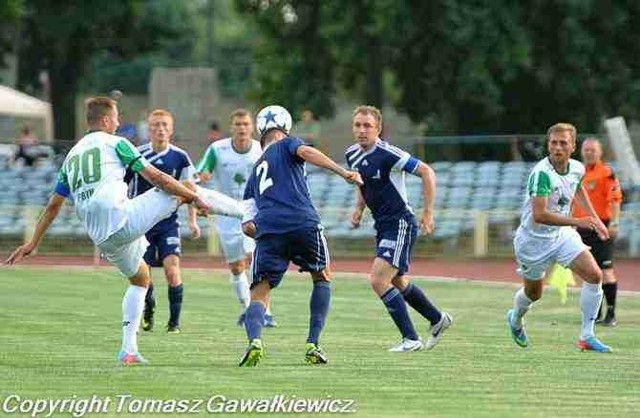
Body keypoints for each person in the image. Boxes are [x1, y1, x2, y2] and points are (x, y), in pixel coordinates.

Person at [4, 97, 244, 365]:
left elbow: (53, 205)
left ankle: (128, 351)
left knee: (141, 278)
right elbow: (158, 178)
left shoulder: (71, 157)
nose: (119, 123)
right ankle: (246, 212)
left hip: (102, 238)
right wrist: (192, 197)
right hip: (122, 219)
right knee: (184, 187)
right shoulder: (116, 143)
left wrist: (32, 243)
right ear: (106, 120)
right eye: (116, 118)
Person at [238, 105, 362, 367]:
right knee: (322, 277)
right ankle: (312, 345)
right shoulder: (288, 144)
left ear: (261, 134)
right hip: (302, 222)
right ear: (286, 128)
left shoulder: (254, 171)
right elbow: (305, 152)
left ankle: (254, 342)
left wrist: (269, 230)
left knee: (259, 293)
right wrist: (342, 172)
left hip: (269, 230)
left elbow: (247, 225)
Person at [346, 105, 452, 353]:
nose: (362, 130)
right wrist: (359, 209)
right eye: (358, 125)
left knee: (378, 279)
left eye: (367, 126)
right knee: (398, 281)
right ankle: (437, 319)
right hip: (382, 225)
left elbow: (427, 171)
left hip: (400, 222)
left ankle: (411, 339)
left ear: (378, 129)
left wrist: (428, 212)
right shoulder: (351, 154)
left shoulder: (387, 153)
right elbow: (362, 183)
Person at [507, 123, 612, 353]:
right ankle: (515, 319)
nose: (557, 147)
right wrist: (579, 221)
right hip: (532, 242)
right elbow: (540, 214)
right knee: (534, 294)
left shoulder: (576, 168)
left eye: (563, 143)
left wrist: (594, 219)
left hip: (561, 235)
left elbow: (577, 188)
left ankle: (586, 336)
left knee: (594, 275)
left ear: (573, 146)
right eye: (553, 143)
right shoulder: (541, 174)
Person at [197, 109, 277, 326]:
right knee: (236, 267)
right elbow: (201, 174)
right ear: (231, 127)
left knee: (253, 259)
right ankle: (248, 309)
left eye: (245, 124)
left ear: (252, 127)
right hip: (226, 214)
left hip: (253, 213)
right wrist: (200, 186)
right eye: (238, 124)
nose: (242, 128)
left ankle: (265, 312)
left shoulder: (262, 149)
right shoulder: (217, 149)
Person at [125, 109, 201, 334]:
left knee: (172, 269)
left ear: (171, 129)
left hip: (168, 222)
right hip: (142, 224)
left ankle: (174, 324)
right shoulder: (136, 155)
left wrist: (193, 221)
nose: (160, 129)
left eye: (164, 125)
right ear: (148, 129)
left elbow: (190, 189)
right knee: (143, 275)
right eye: (156, 125)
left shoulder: (180, 157)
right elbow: (123, 186)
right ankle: (148, 308)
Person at [574, 137, 623, 327]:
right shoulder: (576, 173)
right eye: (586, 150)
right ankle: (596, 313)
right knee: (588, 272)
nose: (589, 153)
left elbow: (615, 199)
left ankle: (611, 314)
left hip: (602, 226)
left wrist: (615, 222)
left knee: (606, 270)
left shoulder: (607, 173)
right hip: (582, 227)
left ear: (600, 152)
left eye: (593, 150)